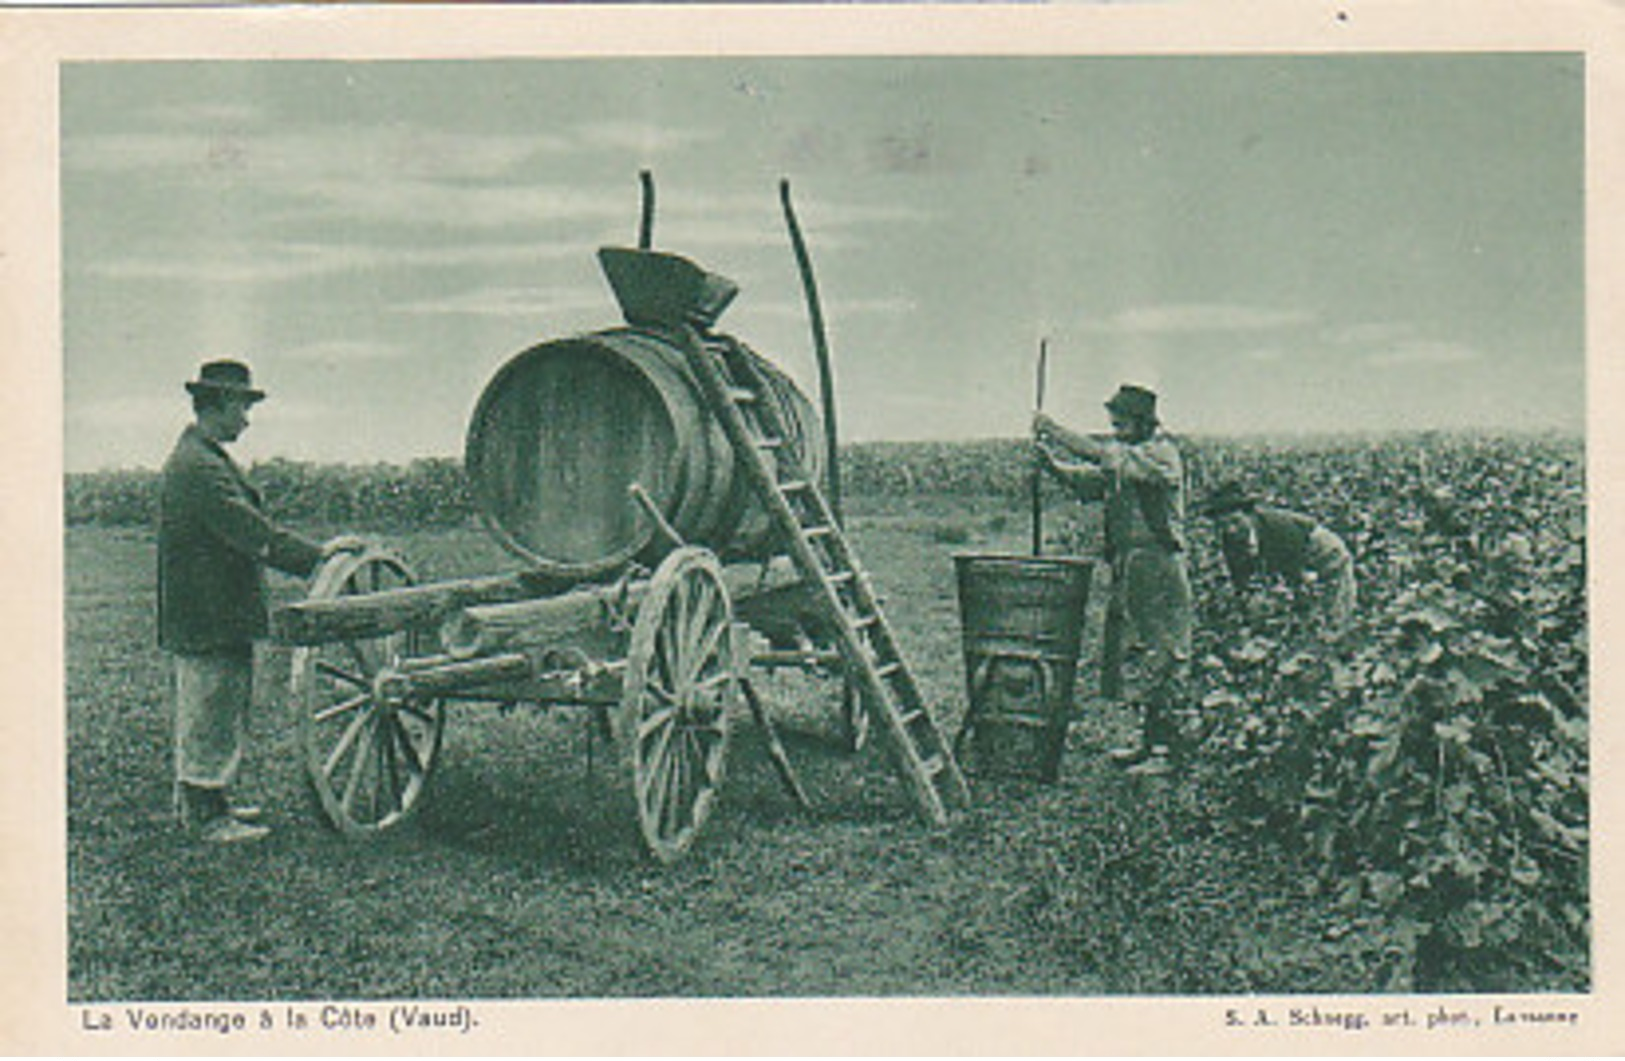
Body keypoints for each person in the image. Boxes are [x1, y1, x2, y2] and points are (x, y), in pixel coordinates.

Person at [158, 360, 364, 844]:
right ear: (216, 405)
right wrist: (318, 556)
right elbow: (250, 532)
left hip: (213, 610)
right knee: (209, 706)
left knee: (216, 704)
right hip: (208, 613)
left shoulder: (202, 455)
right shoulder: (199, 466)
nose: (246, 419)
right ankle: (205, 814)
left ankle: (210, 801)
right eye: (242, 407)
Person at [1034, 383, 1192, 776]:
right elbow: (1093, 481)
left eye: (1122, 425)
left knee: (1166, 655)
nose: (1116, 431)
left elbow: (1106, 457)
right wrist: (1051, 464)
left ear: (1143, 423)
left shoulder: (1160, 454)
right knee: (1142, 657)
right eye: (1114, 425)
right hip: (1132, 566)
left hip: (1159, 565)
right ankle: (1148, 744)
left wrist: (1054, 430)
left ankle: (1167, 753)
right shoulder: (1130, 454)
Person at [1202, 479, 1357, 638]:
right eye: (1223, 525)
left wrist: (1296, 596)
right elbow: (1240, 578)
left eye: (1236, 521)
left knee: (1334, 609)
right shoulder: (1230, 540)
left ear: (1249, 514)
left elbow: (1292, 568)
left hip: (1322, 549)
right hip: (1292, 557)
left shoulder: (1277, 526)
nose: (1231, 530)